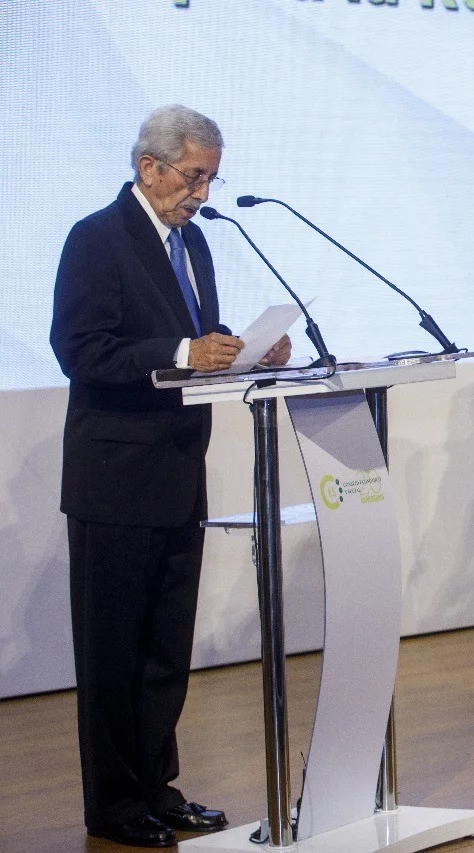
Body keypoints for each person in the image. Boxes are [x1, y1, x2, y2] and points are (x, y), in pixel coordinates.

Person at [50, 105, 290, 848]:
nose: (203, 193)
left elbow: (195, 343)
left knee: (164, 651)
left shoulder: (194, 243)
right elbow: (81, 349)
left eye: (211, 178)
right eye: (193, 176)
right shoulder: (96, 238)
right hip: (116, 476)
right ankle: (115, 804)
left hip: (179, 472)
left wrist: (246, 351)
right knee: (114, 651)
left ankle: (158, 788)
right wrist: (185, 353)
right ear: (148, 166)